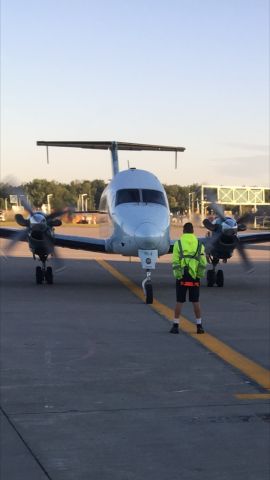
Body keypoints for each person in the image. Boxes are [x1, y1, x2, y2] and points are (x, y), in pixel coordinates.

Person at [170, 222, 207, 334]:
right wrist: (199, 275)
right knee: (195, 301)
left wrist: (178, 275)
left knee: (179, 301)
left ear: (183, 231)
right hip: (195, 276)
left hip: (182, 276)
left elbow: (175, 262)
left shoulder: (178, 244)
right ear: (192, 231)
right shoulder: (200, 244)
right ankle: (199, 326)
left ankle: (176, 325)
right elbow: (203, 263)